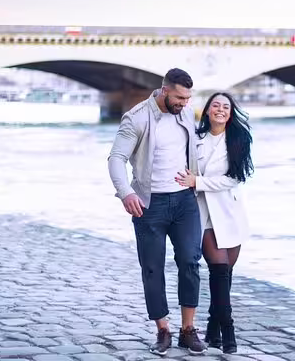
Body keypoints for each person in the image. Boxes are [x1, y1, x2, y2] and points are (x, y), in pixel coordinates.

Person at [107, 68, 207, 356]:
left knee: (190, 261)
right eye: (179, 97)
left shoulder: (186, 112)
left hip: (185, 202)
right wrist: (125, 192)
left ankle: (188, 330)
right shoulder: (136, 118)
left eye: (188, 97)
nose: (184, 103)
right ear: (164, 91)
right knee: (152, 267)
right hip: (149, 205)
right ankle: (163, 330)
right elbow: (116, 158)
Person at [175, 92, 253, 354]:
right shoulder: (194, 139)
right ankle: (229, 332)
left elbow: (234, 178)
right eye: (215, 106)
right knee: (219, 271)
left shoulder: (239, 138)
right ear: (207, 111)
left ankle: (212, 329)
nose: (220, 110)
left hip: (230, 212)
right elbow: (182, 172)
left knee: (225, 276)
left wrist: (198, 182)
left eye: (226, 107)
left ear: (231, 113)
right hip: (203, 214)